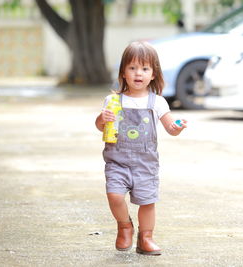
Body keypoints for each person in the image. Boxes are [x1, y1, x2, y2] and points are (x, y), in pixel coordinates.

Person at [95, 41, 187, 256]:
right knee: (114, 196)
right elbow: (100, 127)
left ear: (153, 74)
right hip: (117, 162)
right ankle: (124, 225)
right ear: (123, 72)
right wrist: (102, 118)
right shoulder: (113, 100)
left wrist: (177, 128)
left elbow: (170, 128)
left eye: (145, 68)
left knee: (147, 202)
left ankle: (146, 237)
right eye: (133, 68)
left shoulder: (158, 102)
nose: (139, 73)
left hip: (145, 164)